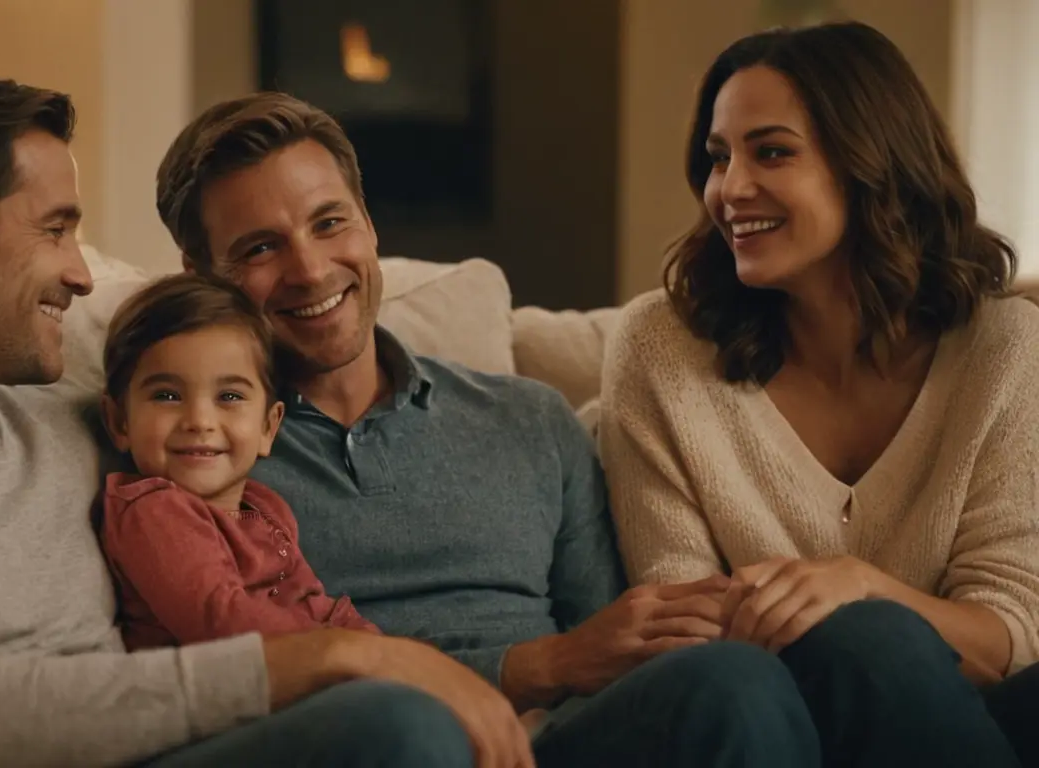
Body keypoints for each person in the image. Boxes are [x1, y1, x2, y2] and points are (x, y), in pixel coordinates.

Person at [0, 67, 533, 768]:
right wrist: (322, 659)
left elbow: (216, 368)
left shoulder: (74, 418)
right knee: (397, 728)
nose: (82, 274)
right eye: (55, 230)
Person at [154, 92, 822, 767]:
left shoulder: (528, 419)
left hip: (551, 743)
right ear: (199, 277)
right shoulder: (190, 453)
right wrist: (532, 665)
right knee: (407, 733)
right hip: (369, 742)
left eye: (330, 222)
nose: (308, 269)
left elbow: (613, 649)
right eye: (260, 248)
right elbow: (228, 675)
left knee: (735, 682)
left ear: (370, 225)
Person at [600, 20, 1039, 768]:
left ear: (874, 164)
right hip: (769, 723)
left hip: (968, 715)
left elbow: (1009, 631)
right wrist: (859, 619)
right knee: (866, 636)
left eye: (771, 151)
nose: (730, 189)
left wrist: (861, 588)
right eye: (717, 159)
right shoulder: (659, 351)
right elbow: (690, 629)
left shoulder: (1005, 349)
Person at [98, 272, 381, 649]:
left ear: (268, 427)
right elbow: (221, 621)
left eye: (229, 397)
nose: (199, 421)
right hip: (226, 697)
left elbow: (316, 605)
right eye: (167, 396)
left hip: (303, 674)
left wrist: (384, 651)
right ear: (120, 422)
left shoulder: (267, 509)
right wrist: (354, 655)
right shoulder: (153, 510)